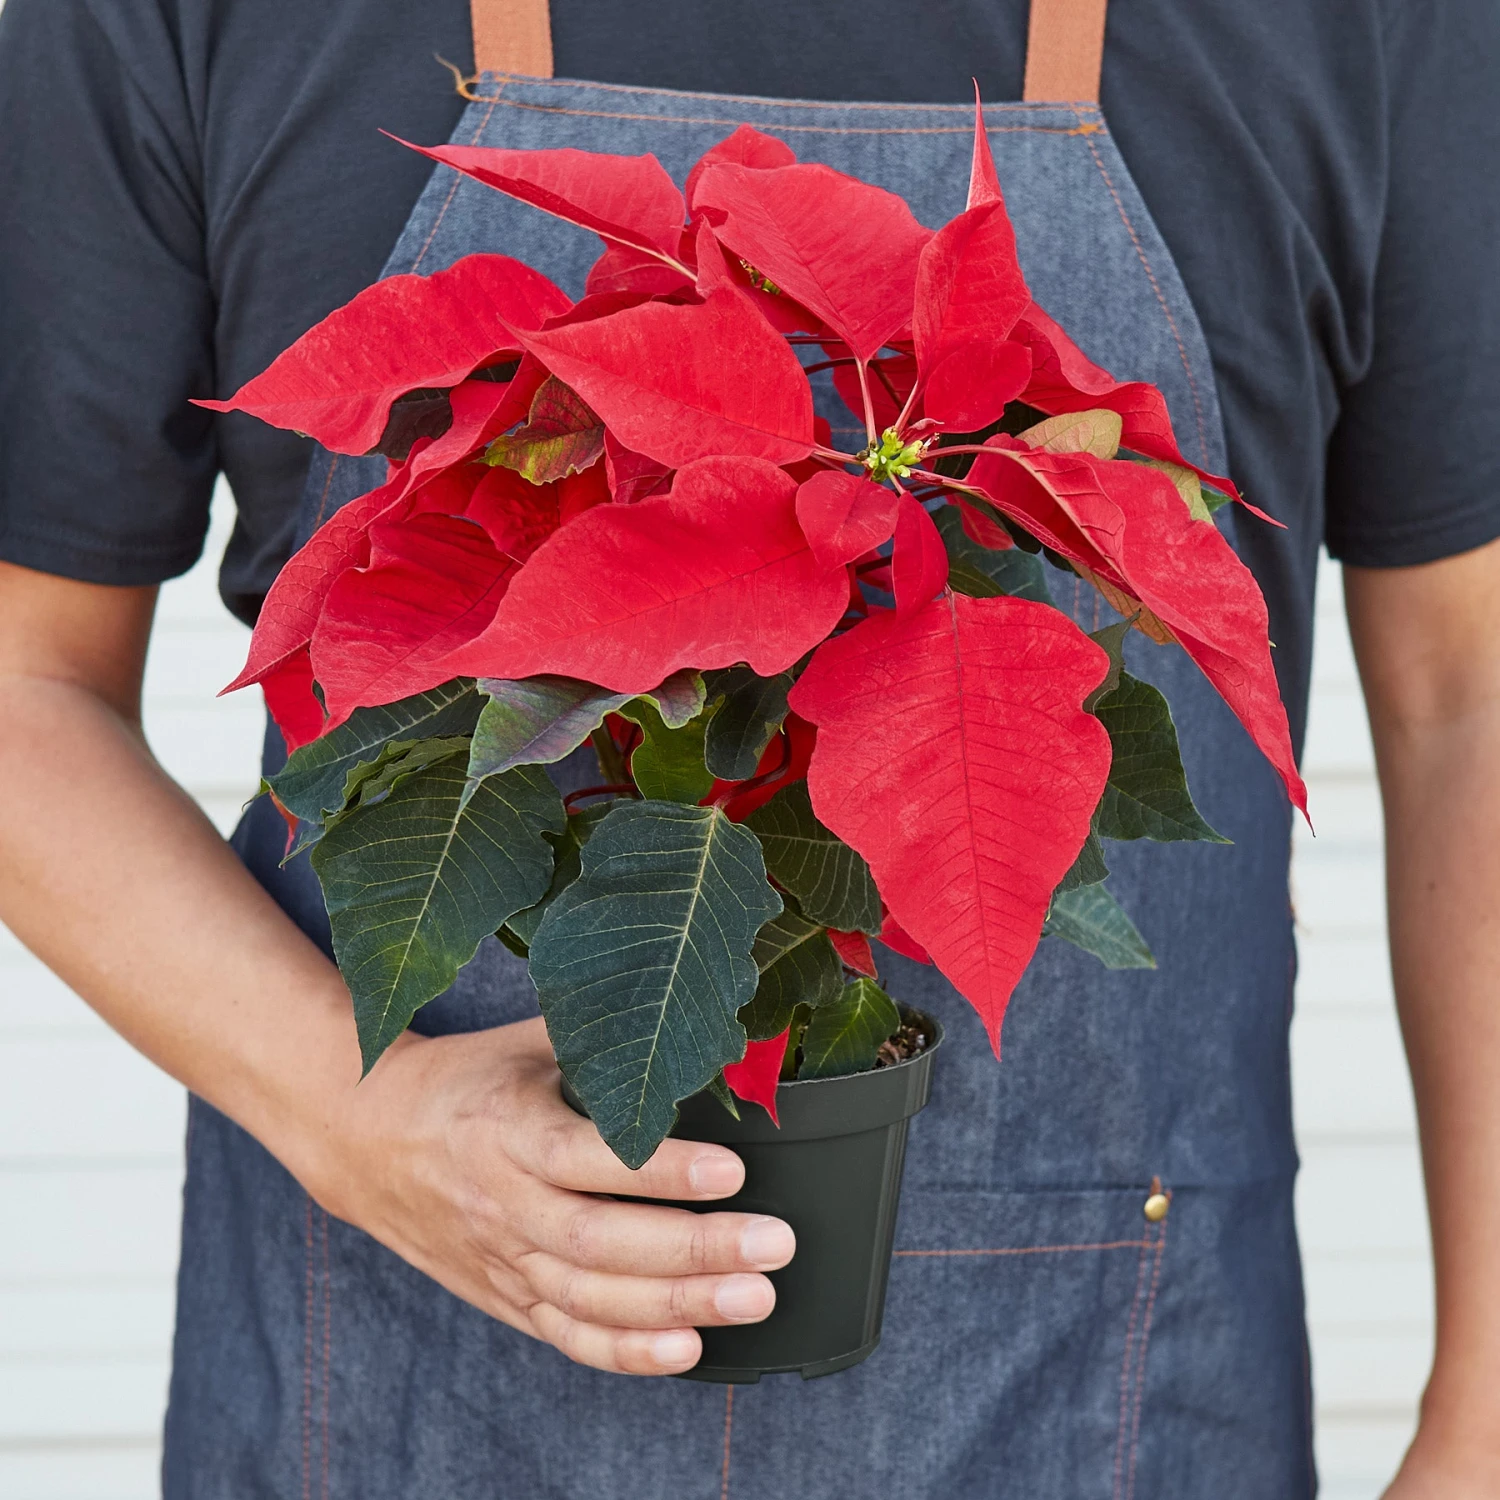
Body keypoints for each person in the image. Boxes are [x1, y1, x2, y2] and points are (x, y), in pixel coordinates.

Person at [2, 0, 1498, 1494]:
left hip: (1112, 1389)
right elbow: (22, 680)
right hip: (388, 1388)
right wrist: (357, 1116)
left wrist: (1483, 1438)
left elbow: (1468, 695)